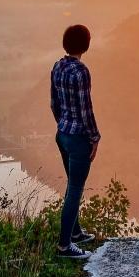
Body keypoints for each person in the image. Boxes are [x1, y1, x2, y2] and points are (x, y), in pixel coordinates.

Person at [50, 24, 101, 259]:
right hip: (78, 138)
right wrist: (94, 138)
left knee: (72, 185)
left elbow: (54, 104)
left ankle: (76, 232)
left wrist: (63, 125)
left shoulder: (57, 67)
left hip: (62, 135)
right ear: (86, 45)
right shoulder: (81, 72)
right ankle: (64, 246)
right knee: (75, 190)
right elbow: (85, 110)